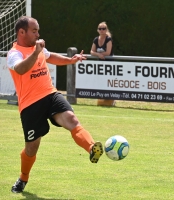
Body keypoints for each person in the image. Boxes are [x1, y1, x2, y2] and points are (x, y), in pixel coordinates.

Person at [7, 16, 104, 193]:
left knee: (72, 120)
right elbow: (20, 69)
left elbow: (51, 57)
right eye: (34, 31)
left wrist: (71, 60)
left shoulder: (38, 48)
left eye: (38, 30)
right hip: (30, 105)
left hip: (50, 94)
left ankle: (92, 148)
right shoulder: (15, 53)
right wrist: (36, 53)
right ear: (22, 32)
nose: (38, 34)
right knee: (32, 148)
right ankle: (23, 178)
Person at [90, 21, 115, 106]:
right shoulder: (96, 39)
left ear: (106, 29)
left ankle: (112, 99)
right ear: (98, 30)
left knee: (109, 82)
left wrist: (100, 54)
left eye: (103, 29)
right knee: (101, 81)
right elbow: (92, 51)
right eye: (100, 29)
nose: (102, 30)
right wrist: (98, 54)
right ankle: (101, 99)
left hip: (109, 65)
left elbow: (108, 52)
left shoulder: (108, 39)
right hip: (101, 65)